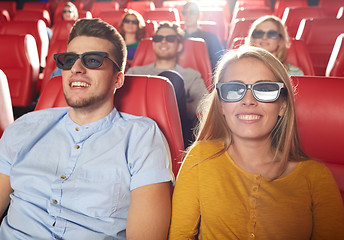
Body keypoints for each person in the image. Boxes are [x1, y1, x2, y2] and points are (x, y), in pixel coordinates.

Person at [0, 18, 173, 240]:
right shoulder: (25, 127)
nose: (76, 68)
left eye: (93, 60)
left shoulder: (142, 137)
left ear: (118, 79)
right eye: (69, 59)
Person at [169, 46, 344, 239]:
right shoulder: (201, 156)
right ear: (221, 106)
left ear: (282, 107)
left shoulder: (316, 177)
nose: (248, 100)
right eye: (234, 89)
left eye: (265, 89)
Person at [126, 21, 208, 144]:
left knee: (171, 78)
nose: (163, 42)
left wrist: (176, 104)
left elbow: (205, 104)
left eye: (170, 38)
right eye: (158, 38)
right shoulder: (135, 71)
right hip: (137, 131)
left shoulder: (191, 74)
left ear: (179, 46)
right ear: (153, 44)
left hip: (176, 133)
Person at [182, 1, 224, 71]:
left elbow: (219, 61)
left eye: (192, 12)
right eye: (185, 13)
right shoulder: (177, 38)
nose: (188, 16)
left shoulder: (211, 38)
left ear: (199, 15)